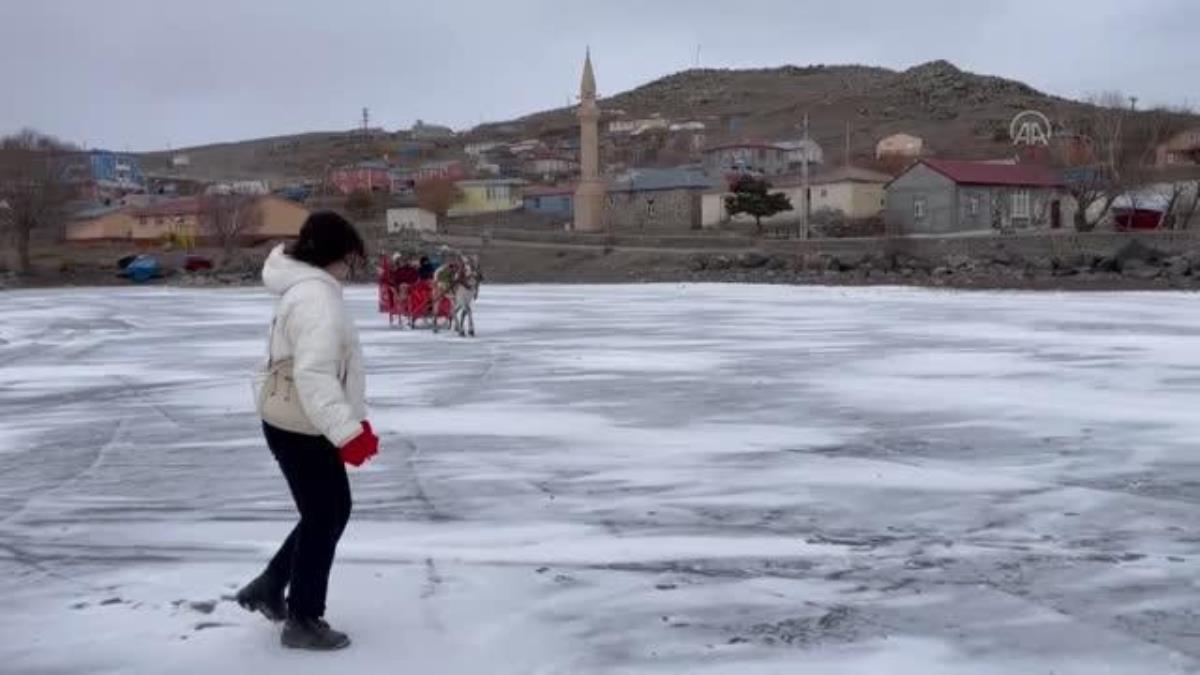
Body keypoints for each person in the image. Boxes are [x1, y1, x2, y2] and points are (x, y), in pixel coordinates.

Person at [237, 211, 380, 651]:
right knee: (326, 513)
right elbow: (315, 374)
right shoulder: (317, 297)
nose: (352, 269)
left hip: (295, 420)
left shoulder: (305, 290)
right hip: (302, 423)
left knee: (329, 510)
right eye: (351, 258)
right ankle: (302, 618)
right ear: (334, 255)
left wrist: (347, 424)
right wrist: (347, 432)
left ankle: (271, 584)